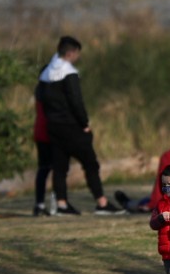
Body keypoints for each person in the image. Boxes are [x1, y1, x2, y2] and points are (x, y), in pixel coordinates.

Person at [38, 36, 122, 215]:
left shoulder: (45, 73)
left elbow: (42, 100)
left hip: (53, 126)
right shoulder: (69, 73)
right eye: (77, 53)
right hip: (72, 126)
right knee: (90, 164)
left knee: (60, 167)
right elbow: (76, 102)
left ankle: (62, 204)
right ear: (71, 53)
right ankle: (101, 202)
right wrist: (84, 123)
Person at [32, 75, 53, 216]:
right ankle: (58, 203)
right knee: (56, 169)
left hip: (40, 132)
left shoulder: (39, 90)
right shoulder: (49, 92)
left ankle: (40, 203)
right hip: (49, 133)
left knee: (43, 169)